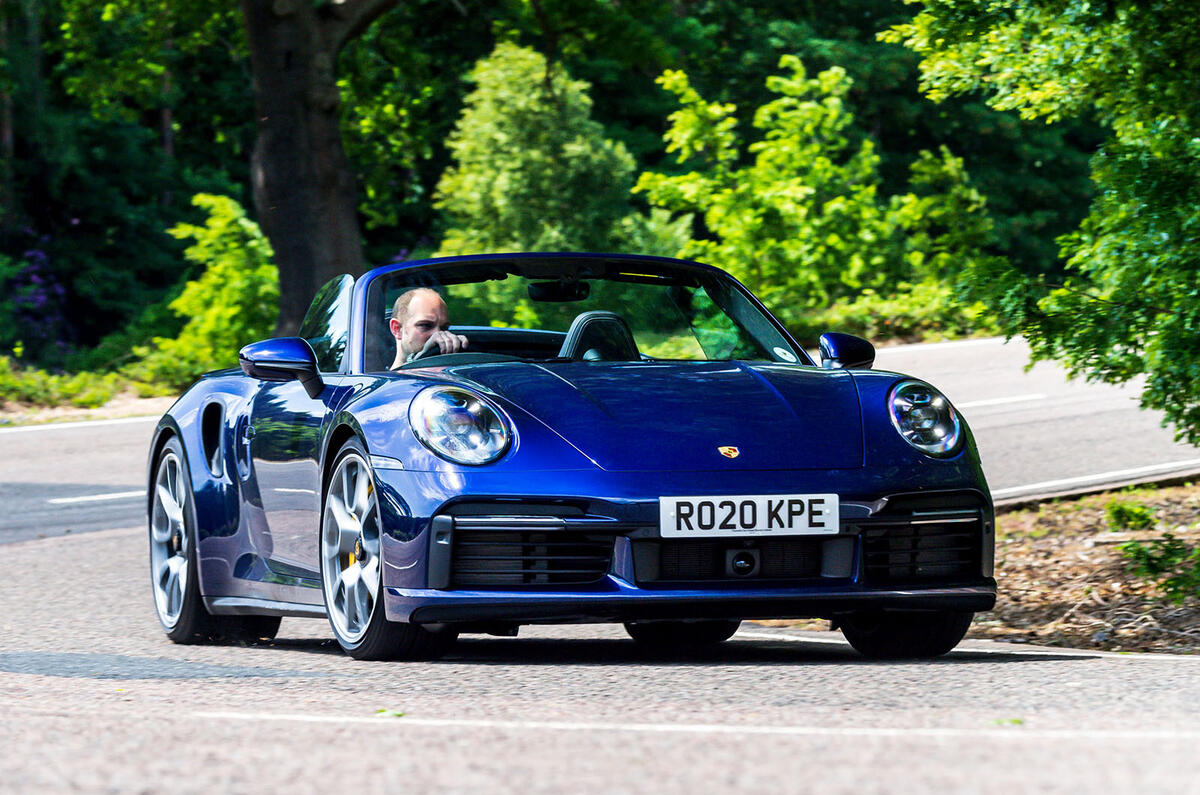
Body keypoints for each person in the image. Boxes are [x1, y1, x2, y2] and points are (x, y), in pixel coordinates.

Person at [388, 288, 469, 369]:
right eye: (425, 325)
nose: (438, 334)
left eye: (444, 328)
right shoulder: (385, 380)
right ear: (397, 329)